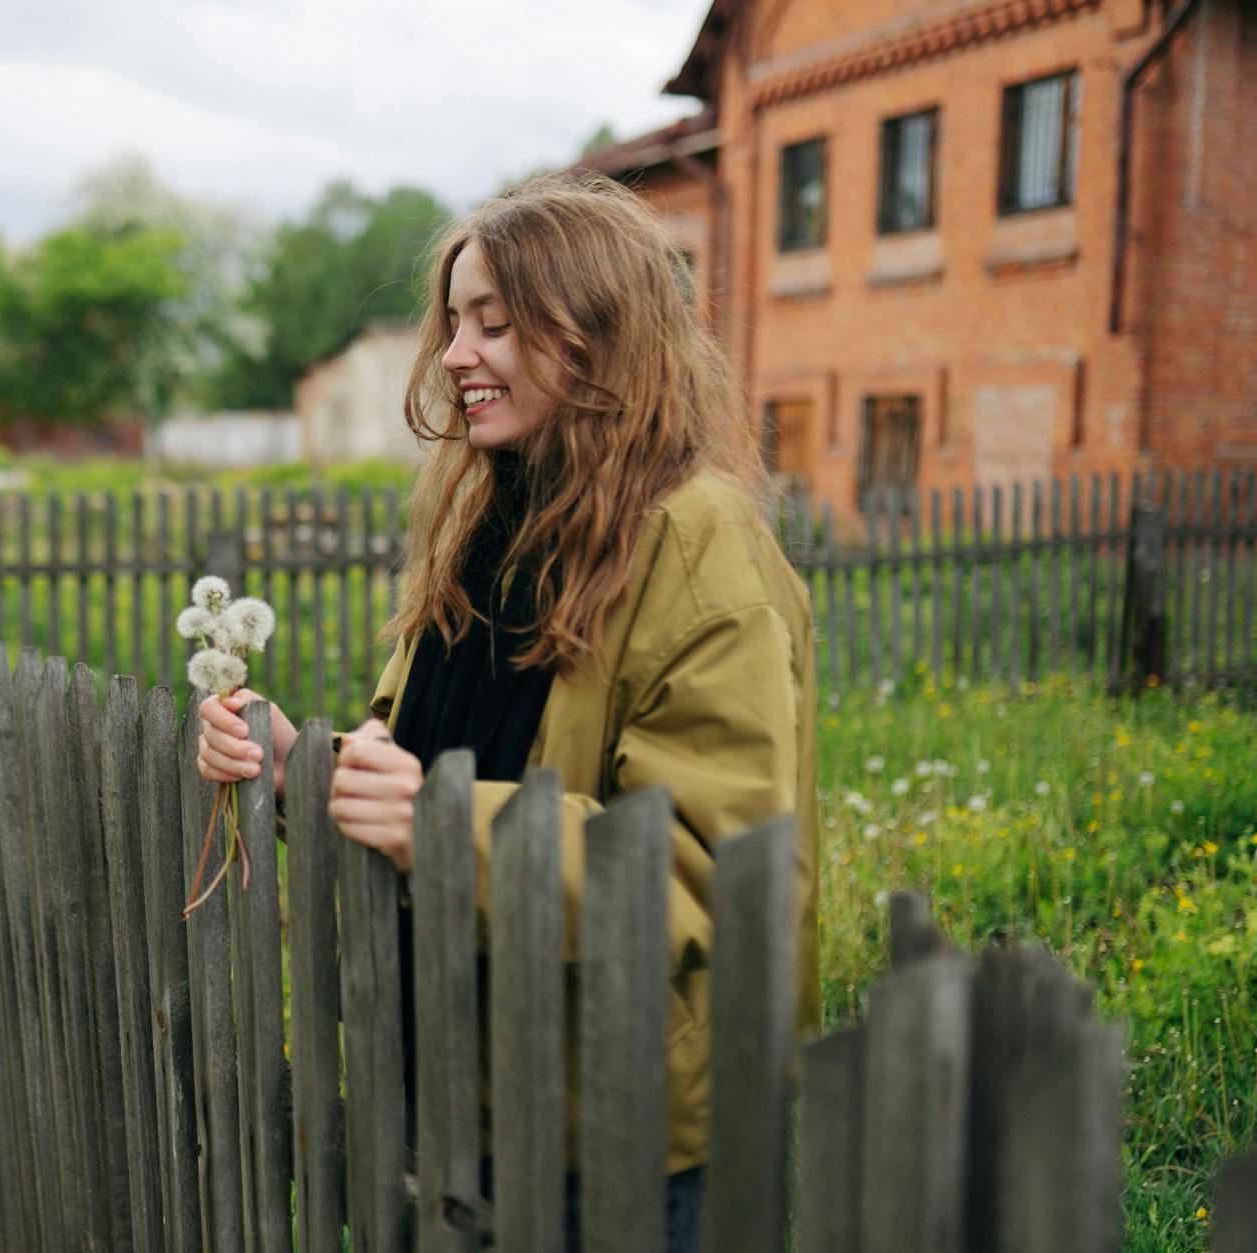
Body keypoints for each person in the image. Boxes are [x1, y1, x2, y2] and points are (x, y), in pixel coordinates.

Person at [196, 171, 820, 1252]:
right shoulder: (489, 516)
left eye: (494, 321)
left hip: (614, 1123)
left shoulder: (696, 541)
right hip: (461, 1079)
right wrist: (301, 760)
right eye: (453, 321)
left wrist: (443, 823)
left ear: (596, 333)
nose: (452, 354)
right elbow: (426, 756)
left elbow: (712, 864)